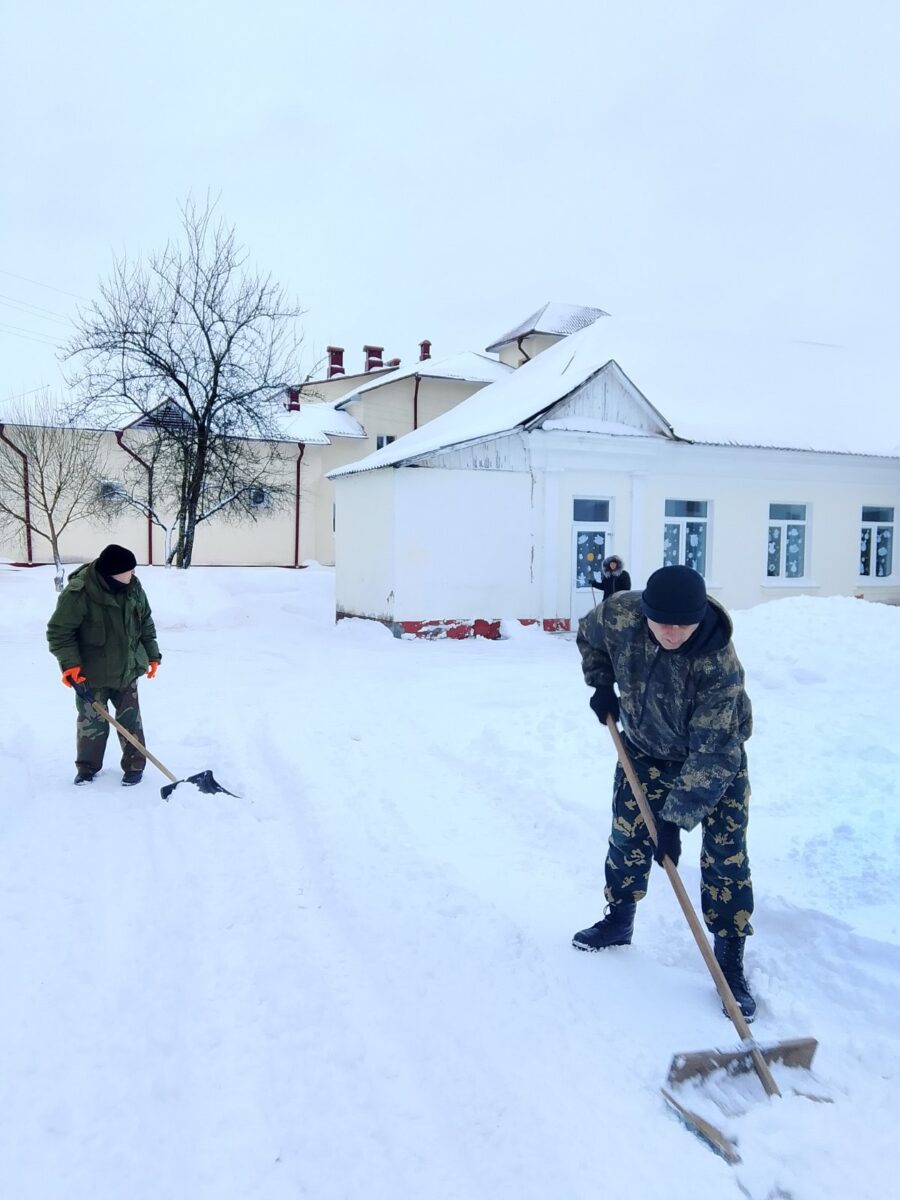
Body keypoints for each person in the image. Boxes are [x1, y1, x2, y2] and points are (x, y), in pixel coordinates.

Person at [573, 565, 757, 1020]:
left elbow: (714, 751)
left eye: (683, 625)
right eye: (662, 623)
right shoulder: (620, 614)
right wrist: (601, 683)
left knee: (726, 855)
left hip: (714, 759)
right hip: (644, 749)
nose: (672, 633)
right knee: (627, 838)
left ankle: (729, 959)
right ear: (645, 612)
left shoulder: (718, 665)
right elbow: (590, 636)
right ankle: (619, 920)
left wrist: (673, 820)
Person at [47, 543, 161, 787]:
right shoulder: (79, 594)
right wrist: (70, 665)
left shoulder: (133, 588)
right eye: (129, 570)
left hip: (127, 670)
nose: (134, 573)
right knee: (92, 724)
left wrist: (153, 655)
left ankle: (135, 767)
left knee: (131, 721)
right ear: (113, 573)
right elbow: (59, 632)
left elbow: (145, 623)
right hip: (91, 675)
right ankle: (87, 769)